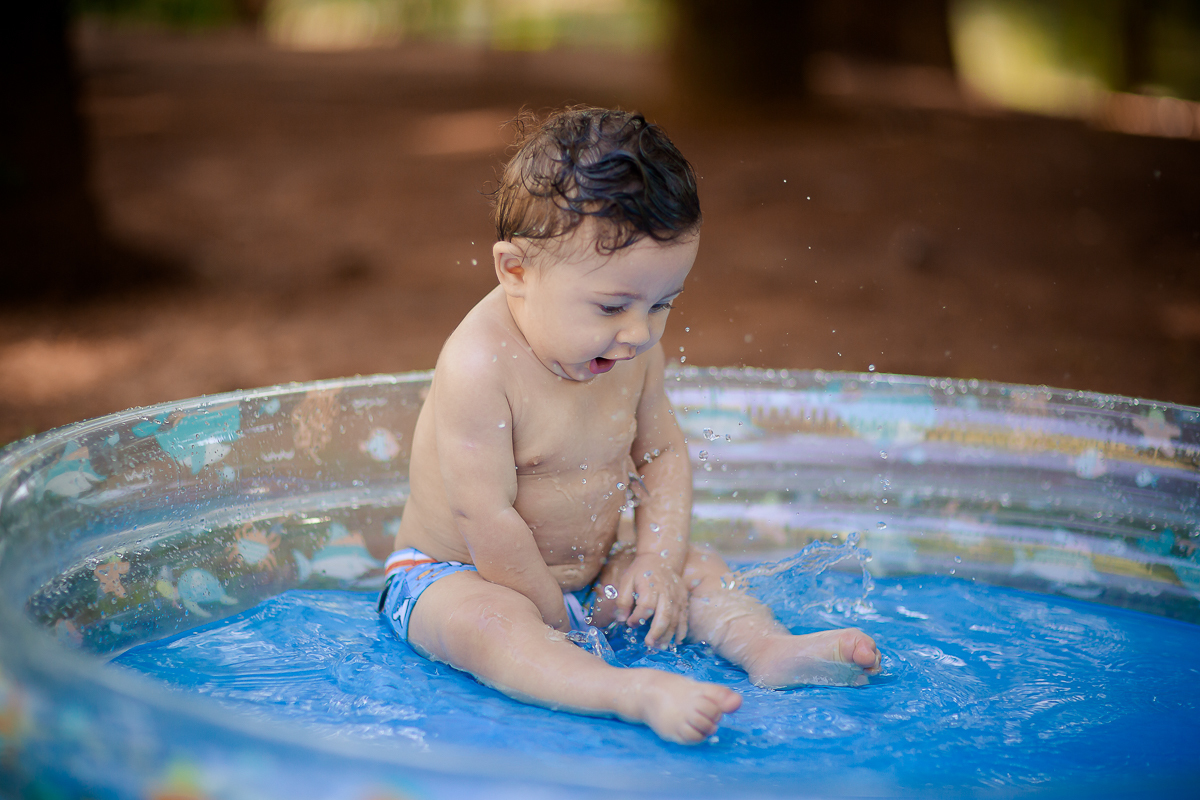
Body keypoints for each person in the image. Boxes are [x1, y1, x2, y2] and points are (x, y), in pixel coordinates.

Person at [379, 107, 880, 744]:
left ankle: (768, 650)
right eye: (613, 305)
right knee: (493, 626)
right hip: (458, 573)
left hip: (588, 577)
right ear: (516, 273)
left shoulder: (627, 347)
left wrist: (655, 562)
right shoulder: (480, 366)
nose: (640, 332)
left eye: (663, 304)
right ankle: (627, 692)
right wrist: (555, 624)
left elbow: (664, 455)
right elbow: (486, 518)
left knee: (700, 568)